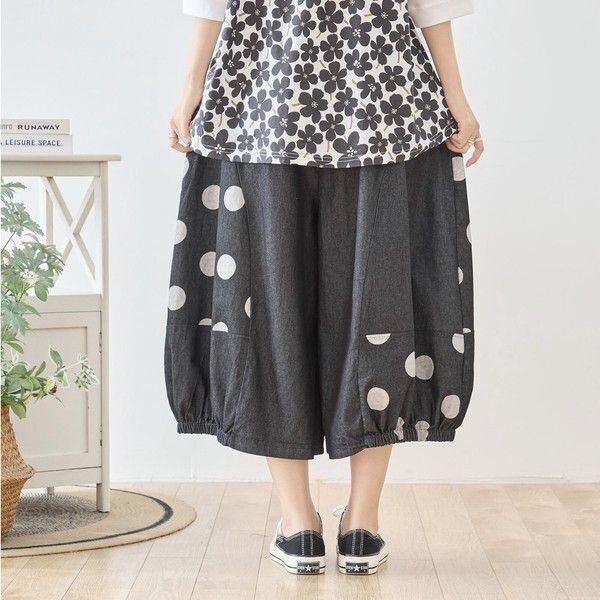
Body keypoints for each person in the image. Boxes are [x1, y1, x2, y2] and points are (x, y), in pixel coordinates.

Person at [165, 0, 481, 576]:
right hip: (381, 97)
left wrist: (191, 84)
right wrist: (455, 95)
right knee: (381, 306)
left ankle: (299, 526)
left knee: (265, 305)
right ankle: (361, 524)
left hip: (264, 93)